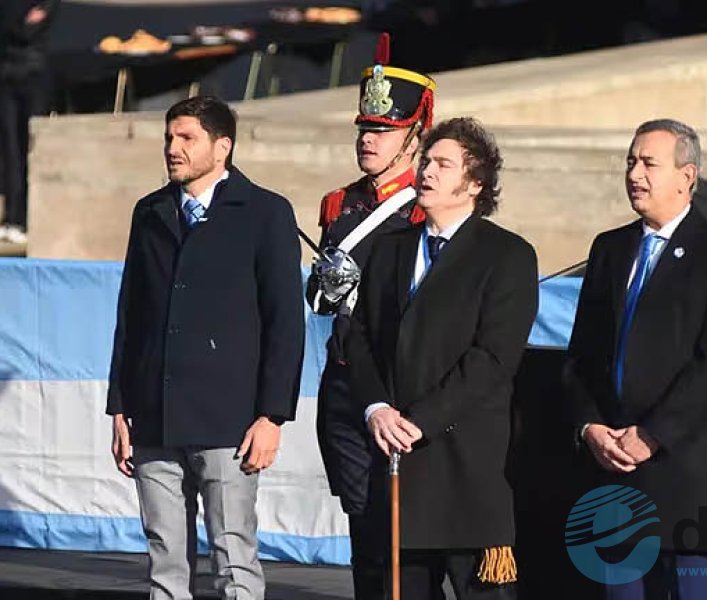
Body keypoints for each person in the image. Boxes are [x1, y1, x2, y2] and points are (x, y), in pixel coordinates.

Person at [106, 95, 305, 600]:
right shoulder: (149, 212)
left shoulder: (265, 212)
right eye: (170, 137)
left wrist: (272, 416)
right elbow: (131, 313)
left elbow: (286, 323)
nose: (173, 148)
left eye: (186, 138)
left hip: (228, 421)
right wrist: (120, 407)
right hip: (153, 415)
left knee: (233, 553)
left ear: (223, 147)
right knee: (164, 559)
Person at [564, 118, 707, 599]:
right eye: (631, 161)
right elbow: (582, 357)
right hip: (614, 468)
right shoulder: (609, 249)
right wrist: (590, 427)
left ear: (686, 176)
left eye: (649, 163)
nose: (635, 173)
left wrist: (653, 434)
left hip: (687, 469)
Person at [345, 116, 539, 599]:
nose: (426, 171)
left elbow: (492, 359)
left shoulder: (507, 255)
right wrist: (376, 409)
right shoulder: (389, 250)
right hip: (394, 469)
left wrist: (418, 421)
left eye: (442, 164)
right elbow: (359, 338)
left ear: (474, 183)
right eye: (426, 161)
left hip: (464, 471)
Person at [307, 33, 436, 600]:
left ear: (415, 134)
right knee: (361, 521)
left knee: (401, 531)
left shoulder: (427, 207)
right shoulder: (340, 204)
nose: (368, 138)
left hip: (397, 378)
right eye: (364, 127)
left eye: (383, 130)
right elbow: (321, 302)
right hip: (344, 378)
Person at [0, 0, 60, 245]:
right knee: (9, 149)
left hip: (34, 73)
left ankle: (26, 217)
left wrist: (16, 25)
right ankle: (12, 217)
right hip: (5, 75)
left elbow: (27, 30)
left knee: (30, 148)